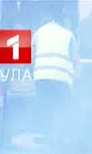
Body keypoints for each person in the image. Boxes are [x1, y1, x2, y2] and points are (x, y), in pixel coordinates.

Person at [32, 10, 79, 146]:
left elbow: (31, 57)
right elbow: (76, 59)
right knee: (60, 107)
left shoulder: (38, 33)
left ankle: (47, 138)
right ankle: (57, 139)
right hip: (61, 78)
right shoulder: (68, 35)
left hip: (41, 78)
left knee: (46, 107)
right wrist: (76, 79)